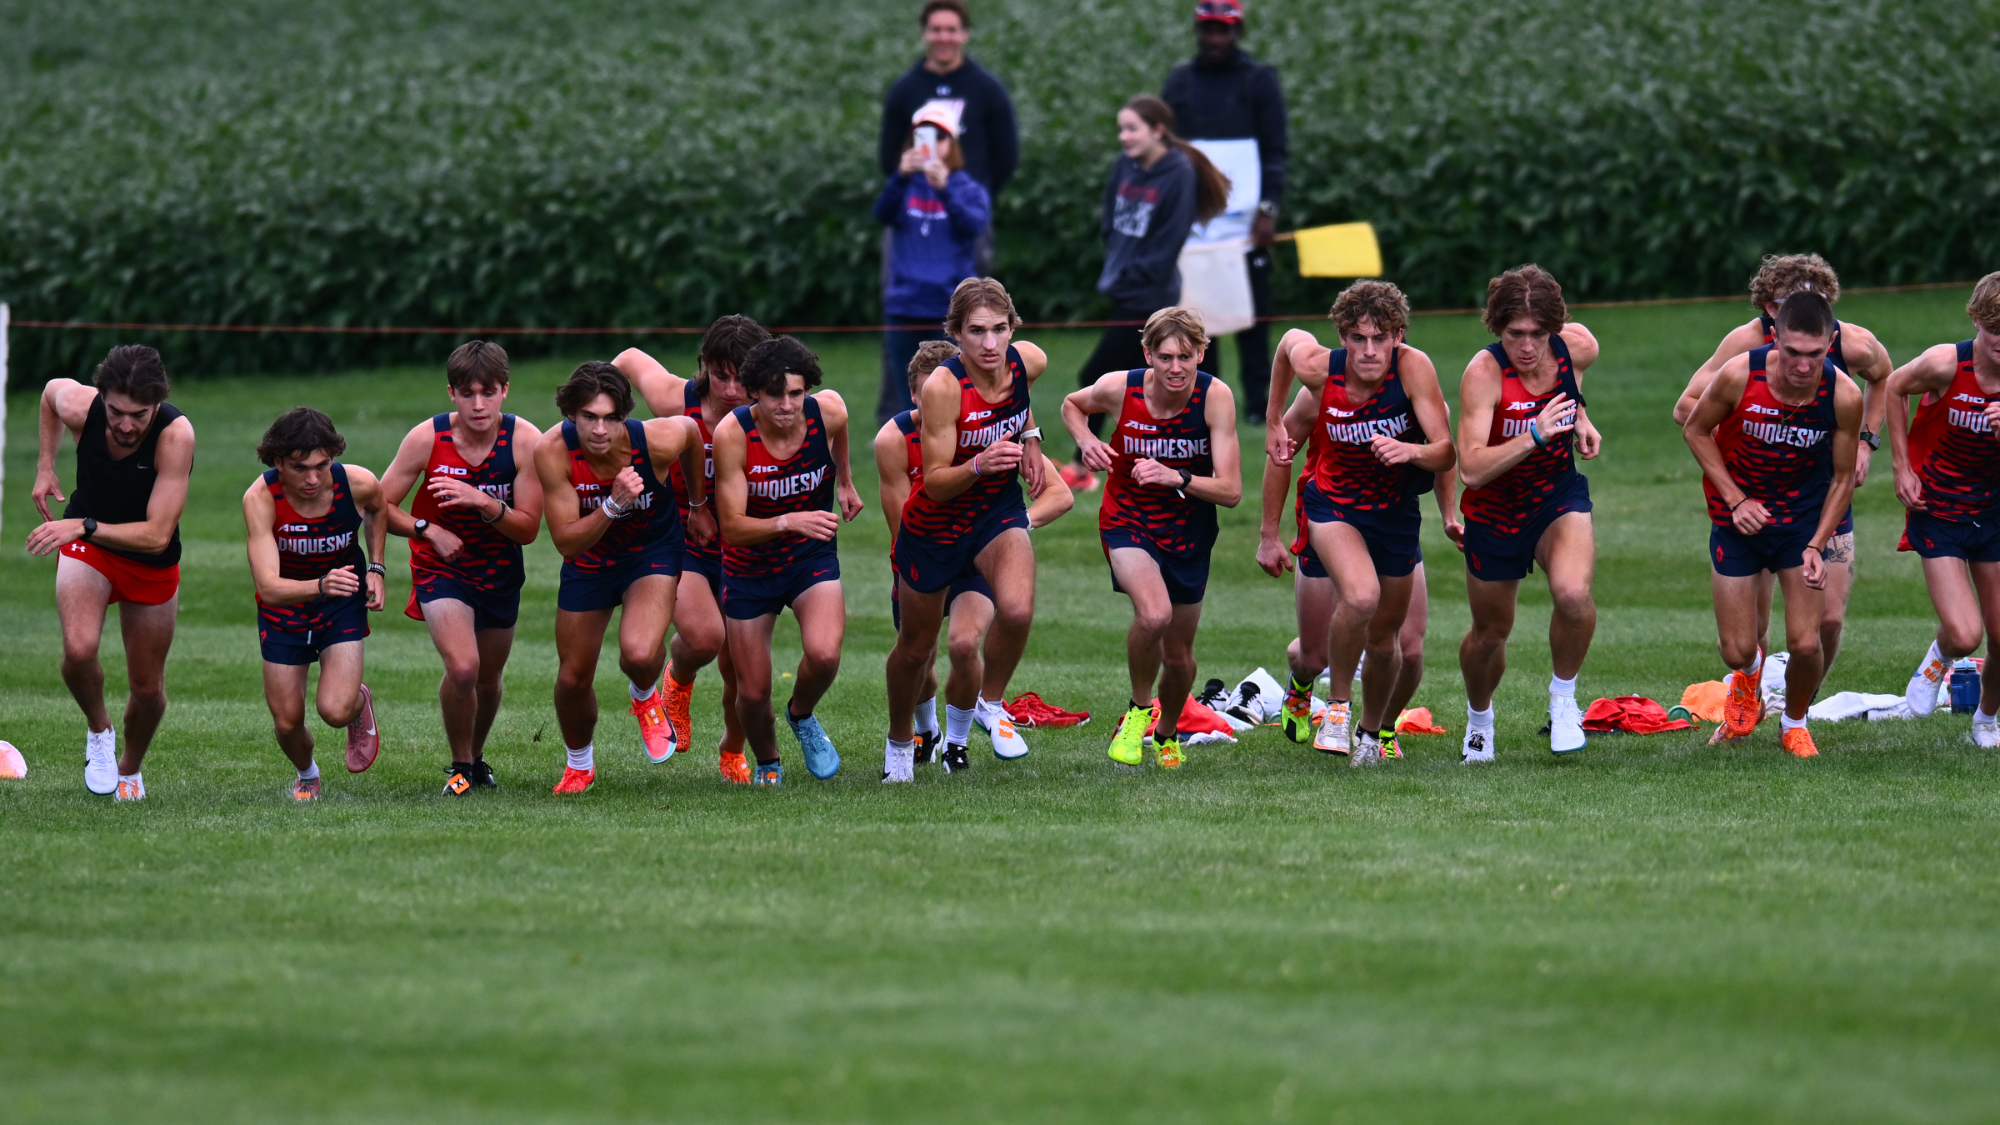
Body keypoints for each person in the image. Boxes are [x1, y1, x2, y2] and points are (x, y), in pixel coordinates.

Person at [1260, 282, 1455, 765]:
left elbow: (1446, 450)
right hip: (1333, 506)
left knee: (1398, 646)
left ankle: (1375, 732)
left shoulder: (1414, 371)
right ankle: (1335, 706)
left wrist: (1437, 493)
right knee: (1346, 617)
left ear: (1398, 337)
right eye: (1358, 338)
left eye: (1381, 337)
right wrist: (1270, 421)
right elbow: (1287, 346)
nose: (1369, 350)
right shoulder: (1319, 377)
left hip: (1394, 514)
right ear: (1342, 338)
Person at [1672, 253, 1894, 676]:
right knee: (1748, 633)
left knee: (1825, 620)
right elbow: (1687, 408)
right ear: (1769, 311)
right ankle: (1752, 689)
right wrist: (1754, 446)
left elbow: (1884, 377)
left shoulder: (1853, 343)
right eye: (1779, 305)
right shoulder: (1744, 346)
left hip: (1820, 495)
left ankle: (1799, 706)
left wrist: (1867, 441)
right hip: (1754, 497)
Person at [876, 340, 1074, 773]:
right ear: (916, 395)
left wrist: (1010, 530)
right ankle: (913, 736)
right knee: (918, 655)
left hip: (979, 545)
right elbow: (901, 519)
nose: (941, 409)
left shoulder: (991, 411)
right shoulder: (893, 439)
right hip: (927, 544)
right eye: (928, 397)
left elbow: (1060, 493)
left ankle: (960, 740)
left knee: (965, 644)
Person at [1684, 290, 1861, 758]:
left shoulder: (1843, 393)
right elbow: (1695, 430)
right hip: (1738, 519)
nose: (1803, 366)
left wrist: (1818, 544)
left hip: (1801, 522)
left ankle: (1795, 722)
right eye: (1792, 353)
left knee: (1806, 643)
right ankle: (1747, 679)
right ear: (1775, 340)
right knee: (1737, 650)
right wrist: (1736, 498)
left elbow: (1843, 478)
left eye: (1815, 354)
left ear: (1830, 344)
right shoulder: (1740, 373)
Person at [1064, 306, 1242, 767]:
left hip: (1189, 531)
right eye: (1165, 357)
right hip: (1127, 520)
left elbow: (1231, 490)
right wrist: (1086, 441)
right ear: (1148, 354)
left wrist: (1176, 476)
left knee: (1181, 659)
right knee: (1154, 615)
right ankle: (1140, 709)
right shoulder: (1119, 388)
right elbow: (1071, 405)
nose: (1176, 368)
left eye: (1186, 356)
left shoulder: (1215, 397)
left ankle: (1167, 732)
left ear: (1202, 353)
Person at [27, 345, 195, 802]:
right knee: (79, 651)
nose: (125, 425)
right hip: (88, 545)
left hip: (147, 557)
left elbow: (158, 535)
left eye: (138, 414)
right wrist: (45, 467)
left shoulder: (175, 436)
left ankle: (131, 769)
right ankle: (99, 732)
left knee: (147, 687)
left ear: (157, 404)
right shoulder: (83, 406)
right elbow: (49, 394)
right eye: (116, 412)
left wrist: (82, 525)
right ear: (101, 397)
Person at [378, 341, 545, 796]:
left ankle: (476, 757)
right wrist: (425, 528)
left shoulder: (526, 440)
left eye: (488, 392)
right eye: (466, 393)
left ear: (505, 390)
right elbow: (378, 505)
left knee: (488, 680)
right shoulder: (427, 438)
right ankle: (459, 765)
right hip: (441, 568)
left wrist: (482, 501)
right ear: (450, 393)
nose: (478, 404)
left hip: (500, 572)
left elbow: (528, 529)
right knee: (465, 668)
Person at [534, 362, 706, 795]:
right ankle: (579, 766)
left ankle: (646, 694)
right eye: (589, 417)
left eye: (611, 417)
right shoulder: (552, 451)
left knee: (640, 651)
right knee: (573, 678)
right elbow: (567, 544)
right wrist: (612, 505)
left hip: (651, 551)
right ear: (571, 415)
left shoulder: (654, 441)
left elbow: (690, 432)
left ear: (625, 415)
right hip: (589, 558)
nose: (600, 429)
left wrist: (698, 504)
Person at [1454, 265, 1603, 762]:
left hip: (1556, 494)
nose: (1527, 346)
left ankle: (1563, 699)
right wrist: (1535, 434)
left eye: (1539, 334)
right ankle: (1479, 720)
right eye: (1515, 334)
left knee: (1574, 593)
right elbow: (1472, 469)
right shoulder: (1483, 372)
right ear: (1498, 328)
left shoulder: (1575, 347)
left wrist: (1580, 416)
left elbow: (1575, 381)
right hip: (1494, 508)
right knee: (1490, 634)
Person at [616, 315, 770, 785]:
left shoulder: (775, 408)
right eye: (719, 375)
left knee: (741, 667)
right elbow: (624, 360)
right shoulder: (674, 400)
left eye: (741, 378)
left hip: (744, 540)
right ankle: (678, 677)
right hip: (681, 538)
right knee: (706, 637)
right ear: (704, 366)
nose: (729, 389)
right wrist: (609, 428)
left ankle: (732, 749)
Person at [711, 338, 865, 785]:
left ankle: (801, 714)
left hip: (809, 556)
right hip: (749, 566)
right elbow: (733, 527)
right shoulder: (733, 435)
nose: (787, 405)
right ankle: (768, 761)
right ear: (753, 392)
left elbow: (841, 430)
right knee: (753, 690)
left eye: (796, 393)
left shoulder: (827, 411)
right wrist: (786, 520)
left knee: (824, 653)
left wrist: (845, 481)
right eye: (776, 394)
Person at [1062, 95, 1231, 491]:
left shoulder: (1178, 173)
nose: (1124, 136)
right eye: (1121, 128)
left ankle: (1084, 466)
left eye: (1132, 128)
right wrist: (1115, 266)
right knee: (1137, 383)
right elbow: (1111, 220)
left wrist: (1132, 273)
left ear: (1158, 130)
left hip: (1150, 295)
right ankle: (1114, 462)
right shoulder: (1126, 164)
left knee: (1098, 376)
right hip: (1124, 288)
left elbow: (1168, 242)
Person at [242, 409, 388, 801]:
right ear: (277, 462)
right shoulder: (260, 499)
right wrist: (320, 584)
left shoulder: (356, 483)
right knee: (288, 722)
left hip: (340, 603)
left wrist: (375, 566)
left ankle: (357, 704)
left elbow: (378, 508)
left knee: (334, 710)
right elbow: (269, 588)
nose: (312, 478)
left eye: (322, 466)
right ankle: (307, 772)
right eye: (299, 467)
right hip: (285, 610)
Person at [1162, 0, 1287, 423]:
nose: (1215, 38)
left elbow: (1275, 151)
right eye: (1209, 29)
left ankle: (1257, 408)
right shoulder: (1179, 82)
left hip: (1246, 223)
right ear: (1198, 30)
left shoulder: (1259, 81)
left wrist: (1268, 209)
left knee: (1253, 318)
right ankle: (1204, 400)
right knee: (1198, 319)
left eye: (1224, 30)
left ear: (1238, 31)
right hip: (1195, 224)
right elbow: (1165, 151)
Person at [1888, 272, 2000, 744]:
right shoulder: (1945, 364)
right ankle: (1939, 659)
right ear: (1975, 319)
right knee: (1964, 633)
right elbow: (1894, 387)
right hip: (1940, 508)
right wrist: (1901, 467)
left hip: (1994, 512)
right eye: (1996, 331)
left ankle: (1987, 719)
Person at [873, 101, 993, 424]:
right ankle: (908, 463)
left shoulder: (968, 188)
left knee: (955, 391)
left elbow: (973, 226)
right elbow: (881, 213)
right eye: (923, 136)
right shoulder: (904, 185)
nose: (931, 144)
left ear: (952, 143)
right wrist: (899, 176)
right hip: (905, 303)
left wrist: (944, 191)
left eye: (940, 137)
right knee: (907, 396)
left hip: (948, 306)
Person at [878, 0, 1018, 273]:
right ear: (924, 34)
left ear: (965, 34)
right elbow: (888, 156)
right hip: (913, 214)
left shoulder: (987, 89)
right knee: (902, 294)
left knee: (970, 300)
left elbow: (1006, 156)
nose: (944, 37)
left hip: (966, 212)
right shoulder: (905, 89)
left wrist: (975, 197)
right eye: (936, 30)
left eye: (952, 30)